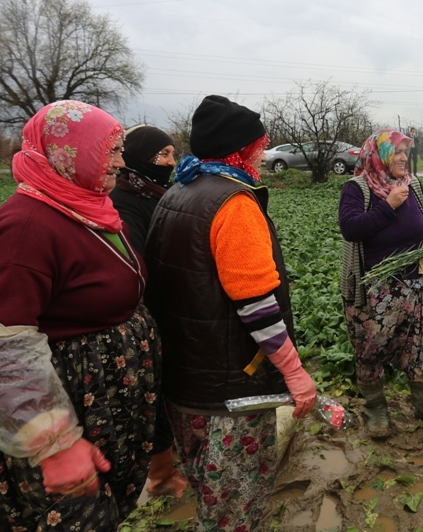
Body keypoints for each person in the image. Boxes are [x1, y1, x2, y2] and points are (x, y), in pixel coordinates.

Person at [0, 100, 158, 531]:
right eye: (110, 151)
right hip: (62, 415)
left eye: (120, 150)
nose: (121, 163)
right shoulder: (24, 228)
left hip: (101, 406)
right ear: (70, 153)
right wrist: (55, 445)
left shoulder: (89, 209)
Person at [144, 95, 317, 531]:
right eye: (259, 144)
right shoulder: (234, 204)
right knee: (233, 509)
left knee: (209, 490)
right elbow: (257, 306)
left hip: (185, 383)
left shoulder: (177, 191)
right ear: (240, 150)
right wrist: (294, 372)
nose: (264, 151)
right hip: (228, 393)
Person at [339, 130, 423, 437]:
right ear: (379, 156)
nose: (405, 158)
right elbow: (351, 228)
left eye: (407, 152)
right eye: (398, 153)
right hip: (375, 288)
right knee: (371, 348)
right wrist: (388, 206)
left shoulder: (413, 185)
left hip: (415, 283)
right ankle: (376, 408)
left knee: (419, 346)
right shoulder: (358, 188)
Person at [108, 125, 187, 498]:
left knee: (170, 387)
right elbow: (137, 265)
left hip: (171, 307)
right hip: (147, 313)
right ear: (140, 157)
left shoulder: (159, 193)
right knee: (153, 393)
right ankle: (160, 476)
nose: (171, 162)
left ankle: (171, 460)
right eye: (163, 154)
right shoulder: (124, 202)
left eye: (172, 153)